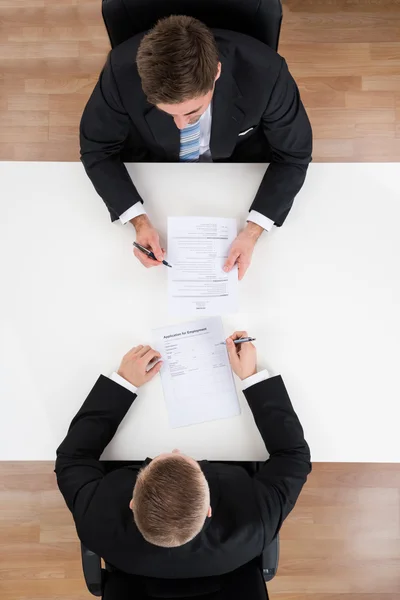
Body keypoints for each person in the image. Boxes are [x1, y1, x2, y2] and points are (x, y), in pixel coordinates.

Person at [55, 332, 311, 578]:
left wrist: (124, 381)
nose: (177, 450)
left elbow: (72, 457)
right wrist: (251, 376)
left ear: (132, 503)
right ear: (209, 509)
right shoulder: (256, 524)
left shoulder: (95, 522)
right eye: (191, 463)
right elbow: (293, 456)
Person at [80, 16, 312, 280]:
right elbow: (97, 149)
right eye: (169, 114)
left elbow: (294, 155)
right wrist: (139, 221)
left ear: (216, 72)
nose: (181, 125)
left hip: (237, 167)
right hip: (157, 165)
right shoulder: (119, 71)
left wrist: (253, 231)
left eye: (192, 112)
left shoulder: (268, 73)